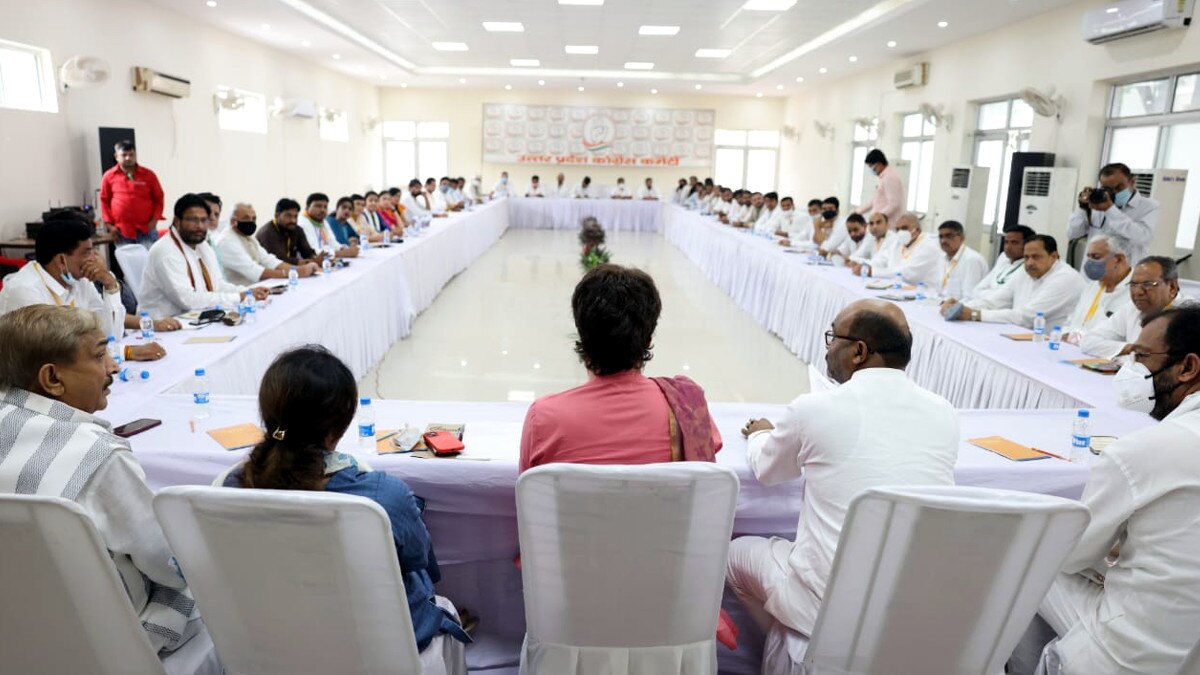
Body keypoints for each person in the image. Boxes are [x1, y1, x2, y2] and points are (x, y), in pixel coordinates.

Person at [216, 345, 471, 654]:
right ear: (341, 425)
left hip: (269, 635)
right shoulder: (382, 497)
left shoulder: (228, 488)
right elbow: (420, 560)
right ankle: (442, 616)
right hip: (375, 642)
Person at [727, 299, 958, 636]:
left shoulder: (816, 407)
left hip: (828, 607)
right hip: (915, 601)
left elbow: (768, 470)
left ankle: (788, 652)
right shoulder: (944, 411)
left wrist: (762, 432)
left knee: (736, 554)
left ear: (859, 352)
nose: (828, 348)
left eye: (833, 337)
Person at [0, 305, 206, 655]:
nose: (113, 367)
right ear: (52, 379)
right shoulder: (97, 455)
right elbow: (165, 561)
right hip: (97, 640)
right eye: (99, 356)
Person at [1024, 306, 1200, 674]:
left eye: (1141, 357)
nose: (1131, 370)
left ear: (1187, 368)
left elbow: (1073, 556)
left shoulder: (1142, 451)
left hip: (1136, 651)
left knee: (1030, 559)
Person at [520, 264, 722, 471]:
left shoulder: (544, 418)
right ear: (648, 340)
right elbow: (705, 472)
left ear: (583, 336)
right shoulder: (688, 407)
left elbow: (528, 494)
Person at [0, 220, 172, 359]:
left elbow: (110, 334)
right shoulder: (24, 290)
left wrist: (110, 286)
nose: (94, 259)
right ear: (61, 260)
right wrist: (126, 352)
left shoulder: (79, 279)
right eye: (87, 253)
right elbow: (54, 352)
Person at [140, 194, 270, 319]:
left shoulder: (202, 245)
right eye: (193, 220)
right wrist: (238, 297)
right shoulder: (166, 251)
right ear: (177, 221)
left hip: (194, 319)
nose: (200, 226)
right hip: (160, 326)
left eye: (203, 220)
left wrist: (248, 292)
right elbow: (188, 300)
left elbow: (217, 284)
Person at [942, 234, 1084, 328]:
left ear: (1053, 256)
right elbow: (997, 300)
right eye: (1026, 257)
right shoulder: (1026, 271)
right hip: (1021, 336)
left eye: (1036, 257)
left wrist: (974, 314)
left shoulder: (1066, 278)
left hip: (1050, 345)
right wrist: (959, 307)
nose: (1029, 262)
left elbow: (1027, 316)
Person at [1079, 256, 1193, 360]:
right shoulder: (1133, 308)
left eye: (1148, 284)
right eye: (1133, 285)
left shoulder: (1188, 316)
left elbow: (1161, 360)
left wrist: (1132, 354)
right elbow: (1088, 341)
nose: (1138, 292)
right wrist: (1131, 348)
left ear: (1172, 287)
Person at [1067, 163, 1159, 266]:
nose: (1114, 193)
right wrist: (1082, 208)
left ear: (1131, 182)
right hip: (1095, 269)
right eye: (1107, 189)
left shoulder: (1149, 206)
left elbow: (1143, 237)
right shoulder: (1098, 202)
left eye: (1119, 188)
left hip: (1126, 271)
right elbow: (1073, 233)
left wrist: (1110, 210)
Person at [216, 203, 318, 286]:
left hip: (258, 288)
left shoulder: (247, 236)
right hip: (241, 294)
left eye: (254, 218)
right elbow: (253, 270)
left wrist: (296, 270)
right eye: (246, 218)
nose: (251, 222)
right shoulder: (226, 242)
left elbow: (268, 259)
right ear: (233, 221)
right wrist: (295, 273)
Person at [1062, 234, 1133, 336]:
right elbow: (1072, 320)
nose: (1090, 262)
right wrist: (1065, 334)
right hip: (1073, 347)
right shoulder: (1091, 286)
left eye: (1096, 257)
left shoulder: (1136, 293)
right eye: (1089, 257)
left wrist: (1083, 341)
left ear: (1119, 259)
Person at [99, 140, 164, 247]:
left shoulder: (148, 175)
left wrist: (154, 220)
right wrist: (110, 226)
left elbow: (159, 198)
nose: (128, 158)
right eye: (124, 155)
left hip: (146, 230)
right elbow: (104, 201)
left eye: (131, 155)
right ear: (116, 156)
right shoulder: (108, 176)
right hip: (122, 232)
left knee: (150, 262)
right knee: (128, 263)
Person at [861, 212, 942, 287]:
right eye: (897, 229)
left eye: (904, 228)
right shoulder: (899, 241)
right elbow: (882, 259)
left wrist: (873, 272)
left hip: (923, 293)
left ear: (917, 230)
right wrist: (863, 265)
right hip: (898, 287)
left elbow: (907, 273)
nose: (900, 232)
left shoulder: (929, 245)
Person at [256, 198, 323, 267]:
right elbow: (279, 260)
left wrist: (316, 258)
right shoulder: (268, 232)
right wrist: (308, 262)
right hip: (271, 273)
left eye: (295, 216)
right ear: (276, 216)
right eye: (288, 216)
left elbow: (307, 252)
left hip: (291, 271)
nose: (293, 220)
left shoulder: (296, 229)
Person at [974, 225, 1036, 298]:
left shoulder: (1029, 267)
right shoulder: (1003, 258)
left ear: (1028, 244)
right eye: (1006, 242)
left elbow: (1003, 298)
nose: (1007, 247)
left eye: (1014, 243)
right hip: (980, 304)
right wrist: (992, 294)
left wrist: (988, 293)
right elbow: (977, 290)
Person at [934, 220, 989, 300]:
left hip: (961, 309)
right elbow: (939, 289)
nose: (943, 241)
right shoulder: (943, 257)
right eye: (941, 237)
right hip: (942, 303)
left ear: (962, 238)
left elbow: (970, 297)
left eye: (949, 236)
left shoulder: (972, 260)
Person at [854, 148, 905, 225]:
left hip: (887, 223)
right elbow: (874, 201)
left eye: (871, 166)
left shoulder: (890, 177)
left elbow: (894, 204)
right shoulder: (883, 177)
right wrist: (857, 212)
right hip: (880, 222)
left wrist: (877, 218)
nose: (871, 169)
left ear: (879, 163)